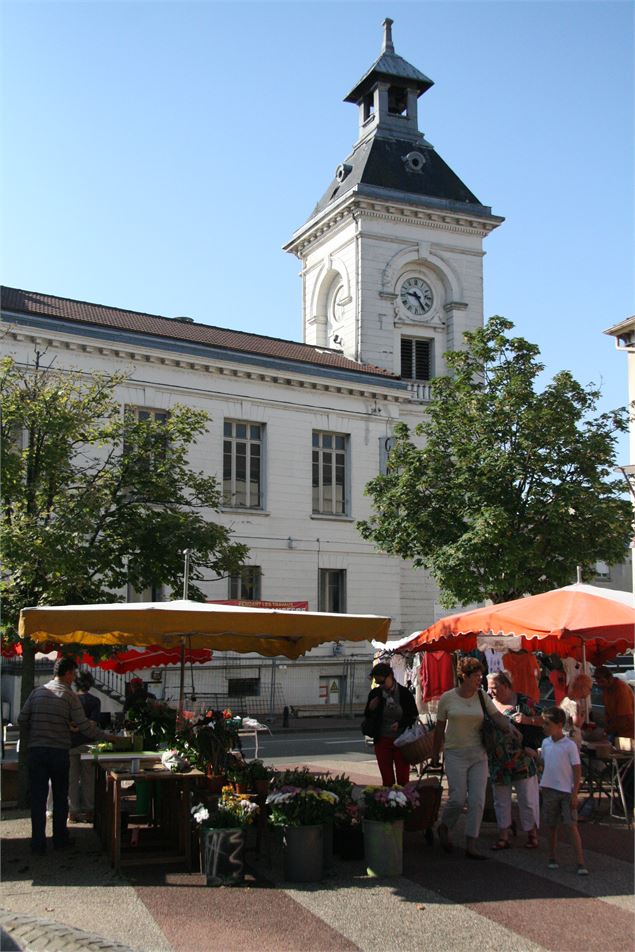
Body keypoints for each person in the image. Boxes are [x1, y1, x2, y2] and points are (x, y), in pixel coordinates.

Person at [432, 657, 521, 859]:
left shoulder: (481, 696)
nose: (479, 680)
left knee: (478, 800)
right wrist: (435, 754)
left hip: (479, 753)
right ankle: (445, 826)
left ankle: (471, 843)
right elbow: (438, 729)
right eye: (475, 676)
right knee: (456, 798)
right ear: (464, 676)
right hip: (455, 753)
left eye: (480, 675)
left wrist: (510, 727)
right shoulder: (448, 698)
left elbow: (497, 716)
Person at [18, 657, 109, 854]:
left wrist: (36, 732)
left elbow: (21, 719)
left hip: (36, 751)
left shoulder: (37, 692)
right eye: (73, 673)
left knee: (38, 798)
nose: (74, 677)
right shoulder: (69, 696)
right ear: (67, 673)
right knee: (60, 796)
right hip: (59, 751)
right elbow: (84, 726)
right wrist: (107, 738)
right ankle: (59, 839)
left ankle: (38, 842)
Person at [486, 671, 541, 850]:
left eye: (494, 688)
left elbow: (545, 721)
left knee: (527, 797)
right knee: (500, 799)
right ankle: (504, 834)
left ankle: (532, 833)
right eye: (489, 688)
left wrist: (528, 720)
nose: (491, 692)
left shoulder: (524, 702)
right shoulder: (487, 704)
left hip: (522, 759)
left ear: (506, 685)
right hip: (498, 760)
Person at [539, 706, 588, 875]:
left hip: (566, 791)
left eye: (547, 723)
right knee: (551, 825)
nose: (544, 727)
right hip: (549, 788)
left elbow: (577, 769)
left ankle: (580, 861)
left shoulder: (569, 745)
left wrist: (575, 792)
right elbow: (545, 763)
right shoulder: (545, 743)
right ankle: (552, 856)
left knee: (571, 825)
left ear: (559, 724)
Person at [363, 662, 419, 787]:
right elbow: (367, 715)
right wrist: (371, 708)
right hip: (382, 740)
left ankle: (404, 802)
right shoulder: (375, 693)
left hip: (402, 741)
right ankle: (389, 803)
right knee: (387, 780)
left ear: (391, 676)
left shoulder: (404, 693)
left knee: (403, 779)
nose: (381, 686)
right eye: (378, 683)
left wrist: (400, 724)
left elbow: (413, 715)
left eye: (383, 682)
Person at [68, 670, 101, 823]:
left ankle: (73, 811)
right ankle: (90, 810)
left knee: (72, 779)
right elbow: (93, 724)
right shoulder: (95, 701)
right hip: (88, 743)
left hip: (71, 743)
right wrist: (83, 727)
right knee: (88, 779)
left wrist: (75, 728)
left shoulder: (70, 700)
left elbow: (67, 722)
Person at [592, 666, 634, 739]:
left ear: (610, 678)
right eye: (597, 682)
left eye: (602, 681)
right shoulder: (606, 689)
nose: (599, 685)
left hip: (629, 733)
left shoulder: (621, 690)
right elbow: (607, 713)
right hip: (618, 731)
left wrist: (606, 731)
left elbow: (623, 719)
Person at [559, 673, 593, 749]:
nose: (590, 692)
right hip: (569, 742)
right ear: (583, 688)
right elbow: (576, 723)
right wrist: (583, 716)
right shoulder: (573, 702)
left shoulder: (568, 699)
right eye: (590, 689)